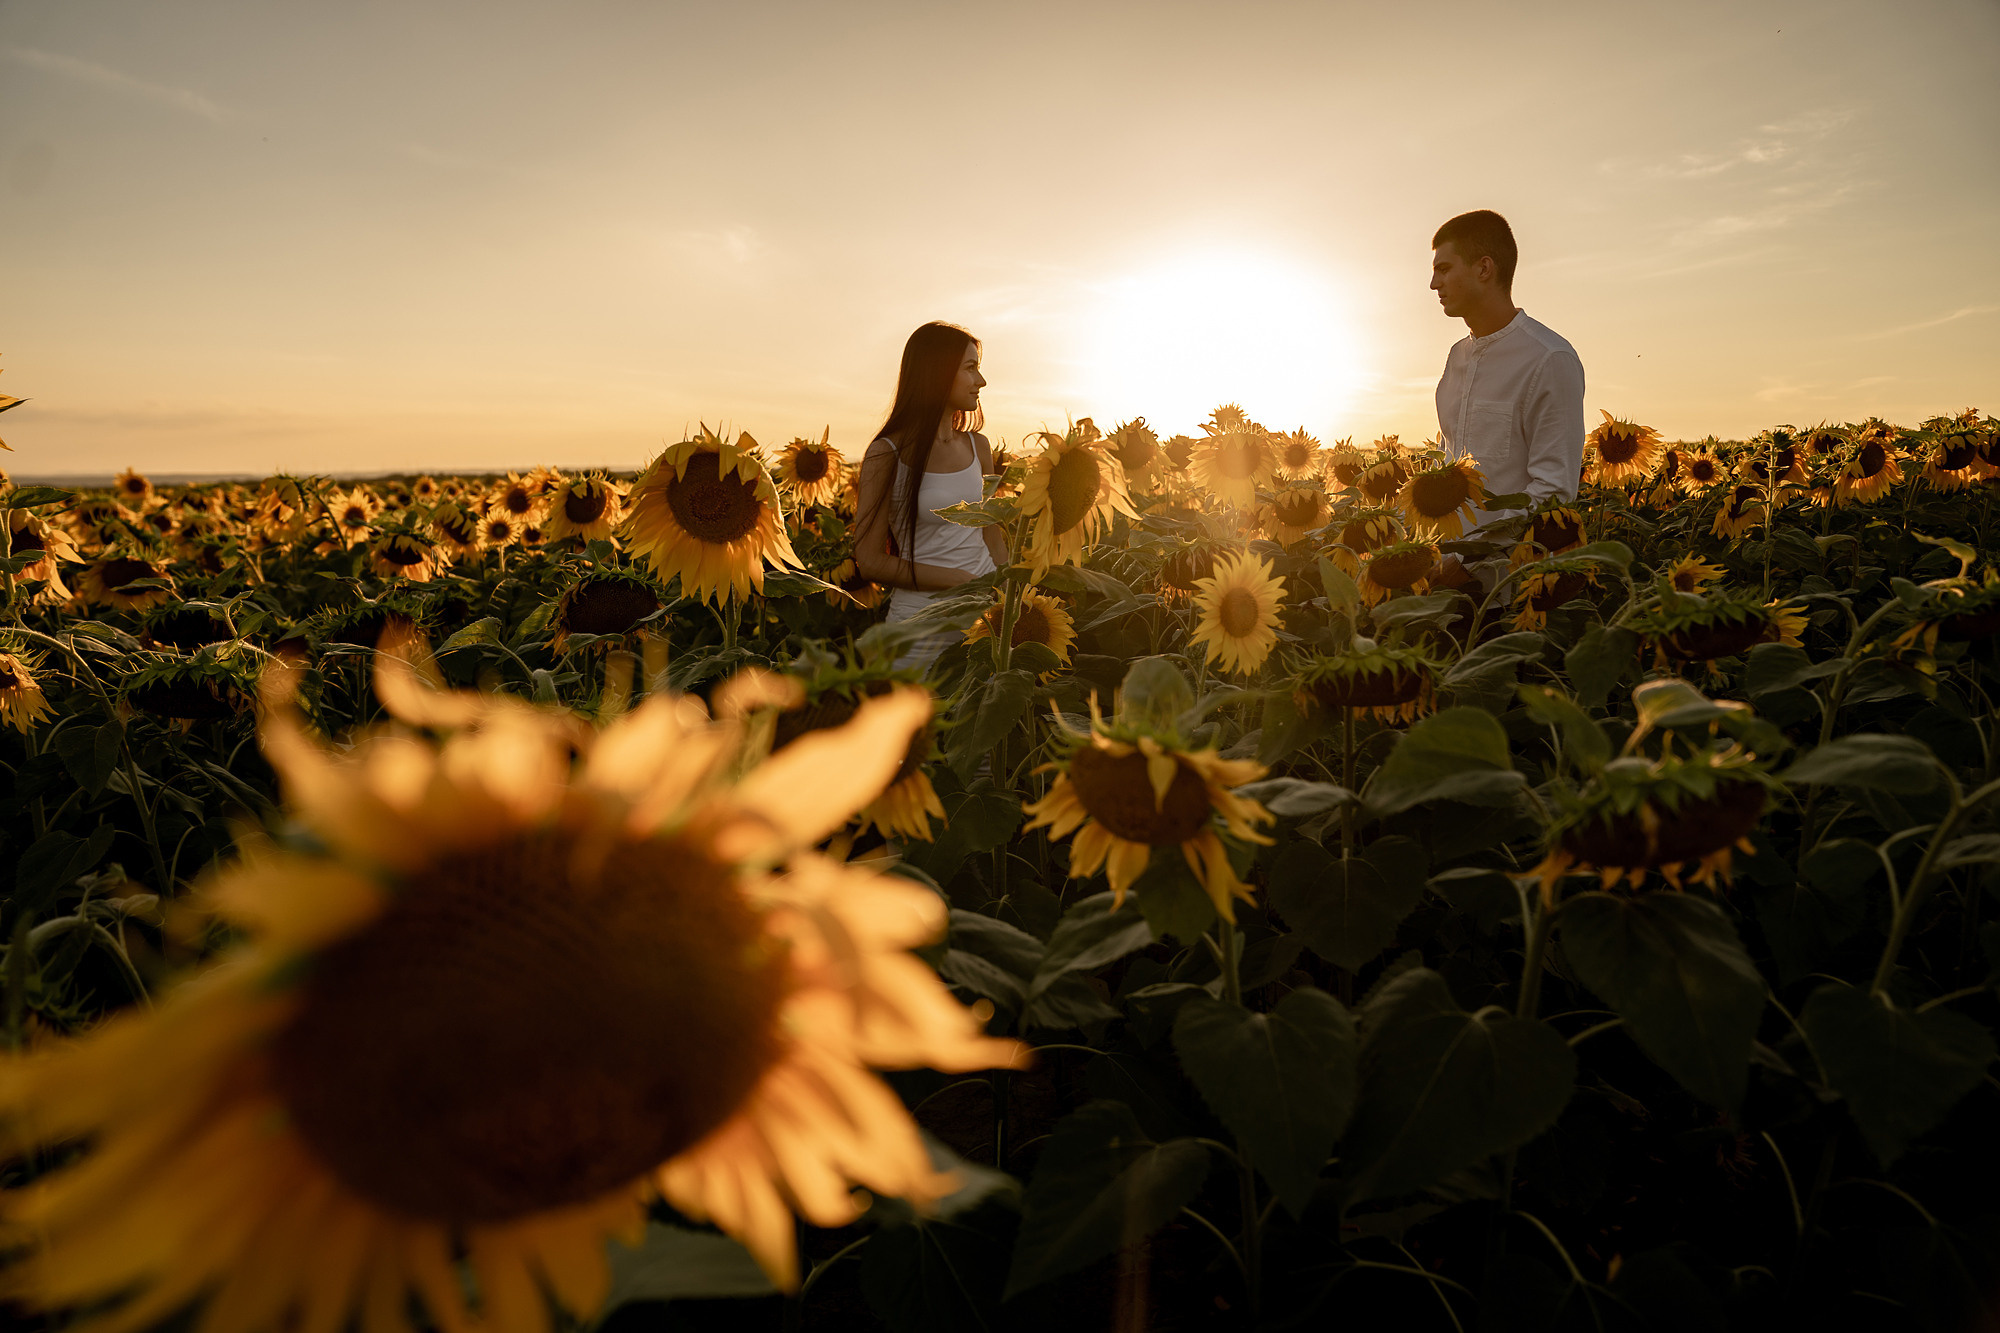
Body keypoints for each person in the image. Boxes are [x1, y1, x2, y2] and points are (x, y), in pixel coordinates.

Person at [1428, 209, 1585, 586]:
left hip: (1511, 587)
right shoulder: (1457, 357)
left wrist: (1468, 562)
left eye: (1444, 269)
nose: (1434, 284)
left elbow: (1553, 491)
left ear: (1484, 268)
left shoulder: (1548, 358)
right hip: (1445, 580)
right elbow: (1452, 465)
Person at [852, 322, 1011, 667]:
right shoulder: (887, 453)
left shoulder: (979, 447)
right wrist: (960, 582)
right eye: (970, 368)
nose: (981, 381)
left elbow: (993, 538)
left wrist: (1012, 597)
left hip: (985, 623)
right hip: (920, 629)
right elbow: (870, 560)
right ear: (937, 372)